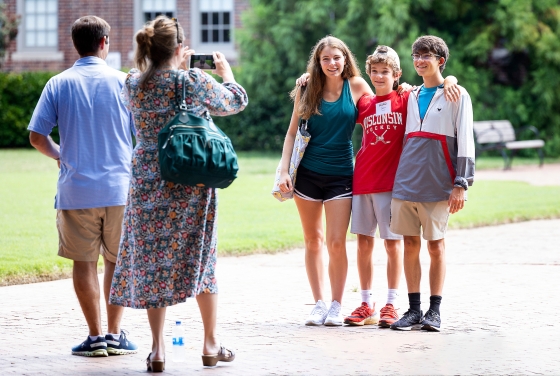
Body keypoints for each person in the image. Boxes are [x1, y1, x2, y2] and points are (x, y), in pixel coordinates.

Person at [107, 16, 248, 371]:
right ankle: (211, 344)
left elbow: (151, 97)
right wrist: (226, 73)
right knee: (202, 259)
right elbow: (234, 103)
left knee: (155, 262)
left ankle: (157, 350)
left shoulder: (132, 83)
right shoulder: (193, 80)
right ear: (180, 48)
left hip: (146, 182)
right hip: (189, 181)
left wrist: (174, 67)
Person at [297, 46, 459, 328]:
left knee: (393, 244)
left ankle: (391, 303)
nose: (379, 76)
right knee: (363, 243)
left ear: (397, 74)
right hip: (361, 181)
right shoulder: (365, 103)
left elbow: (432, 86)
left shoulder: (406, 97)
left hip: (391, 184)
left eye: (386, 72)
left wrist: (450, 79)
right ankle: (366, 302)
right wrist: (307, 77)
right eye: (374, 71)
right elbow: (337, 102)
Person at [27, 16, 138, 356]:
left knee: (83, 263)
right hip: (121, 188)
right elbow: (144, 134)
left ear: (75, 44)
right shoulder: (126, 83)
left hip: (76, 191)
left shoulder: (58, 84)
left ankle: (95, 337)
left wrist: (60, 154)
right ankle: (116, 334)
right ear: (105, 42)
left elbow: (36, 137)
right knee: (117, 261)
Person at [278, 36, 373, 326]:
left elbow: (386, 103)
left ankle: (335, 305)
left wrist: (404, 87)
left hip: (342, 174)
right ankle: (318, 303)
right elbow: (292, 132)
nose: (332, 63)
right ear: (317, 62)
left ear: (346, 59)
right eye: (325, 59)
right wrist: (284, 170)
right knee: (312, 240)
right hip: (306, 174)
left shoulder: (356, 86)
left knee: (335, 243)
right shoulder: (307, 88)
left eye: (337, 57)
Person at [389, 35, 474, 332]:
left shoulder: (457, 94)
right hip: (405, 183)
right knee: (409, 244)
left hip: (438, 183)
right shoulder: (408, 95)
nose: (419, 60)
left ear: (440, 60)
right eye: (416, 55)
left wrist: (461, 183)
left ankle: (434, 311)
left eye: (426, 55)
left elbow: (465, 140)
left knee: (436, 246)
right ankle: (413, 310)